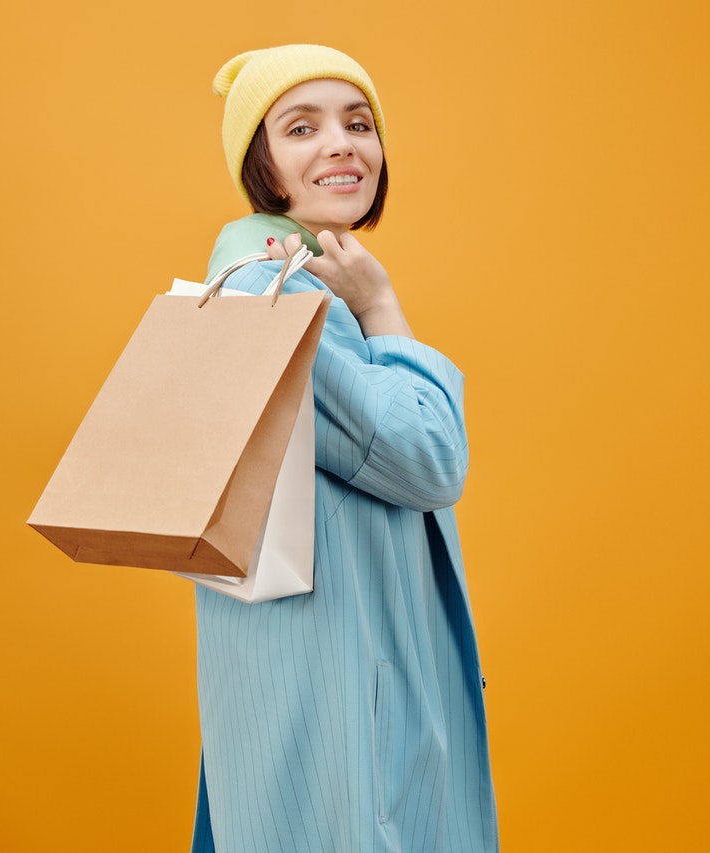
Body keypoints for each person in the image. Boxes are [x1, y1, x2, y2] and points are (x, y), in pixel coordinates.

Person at [191, 45, 499, 852]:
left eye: (359, 123)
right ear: (264, 168)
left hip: (346, 665)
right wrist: (387, 306)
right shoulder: (271, 295)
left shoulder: (310, 286)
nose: (341, 144)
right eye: (302, 127)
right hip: (339, 677)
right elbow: (431, 458)